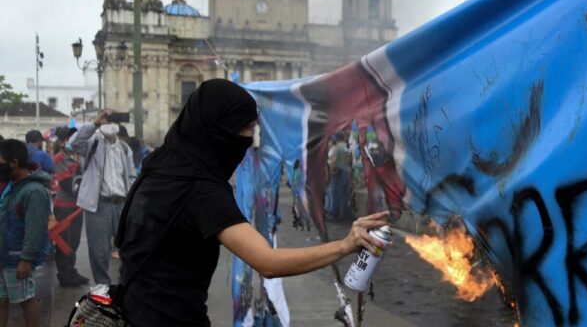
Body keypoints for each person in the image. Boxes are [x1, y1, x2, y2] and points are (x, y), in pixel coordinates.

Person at [116, 79, 389, 326]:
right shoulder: (203, 191)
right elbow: (267, 262)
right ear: (218, 129)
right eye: (246, 129)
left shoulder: (155, 169)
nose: (250, 139)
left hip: (129, 314)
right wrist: (345, 245)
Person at [70, 112, 135, 287]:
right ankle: (103, 287)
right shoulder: (93, 142)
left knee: (128, 248)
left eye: (112, 120)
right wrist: (95, 123)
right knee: (99, 253)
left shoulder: (124, 148)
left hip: (121, 204)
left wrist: (130, 195)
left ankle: (126, 284)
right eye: (107, 119)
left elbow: (131, 175)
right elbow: (74, 143)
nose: (109, 123)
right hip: (98, 205)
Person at [0, 139, 52, 327]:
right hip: (4, 255)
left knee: (26, 300)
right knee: (2, 300)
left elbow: (35, 229)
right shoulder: (13, 187)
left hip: (17, 258)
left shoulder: (34, 191)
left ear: (13, 162)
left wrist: (26, 259)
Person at [51, 127, 88, 287]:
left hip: (76, 205)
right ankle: (65, 276)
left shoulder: (79, 157)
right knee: (64, 242)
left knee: (74, 241)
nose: (72, 140)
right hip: (64, 206)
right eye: (69, 138)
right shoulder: (59, 159)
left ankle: (70, 271)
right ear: (62, 141)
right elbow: (67, 182)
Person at [327, 132, 352, 220]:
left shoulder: (336, 148)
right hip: (347, 172)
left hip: (339, 172)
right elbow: (350, 159)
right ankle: (346, 213)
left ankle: (335, 214)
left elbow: (333, 161)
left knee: (336, 193)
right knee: (346, 194)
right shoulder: (347, 147)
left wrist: (331, 171)